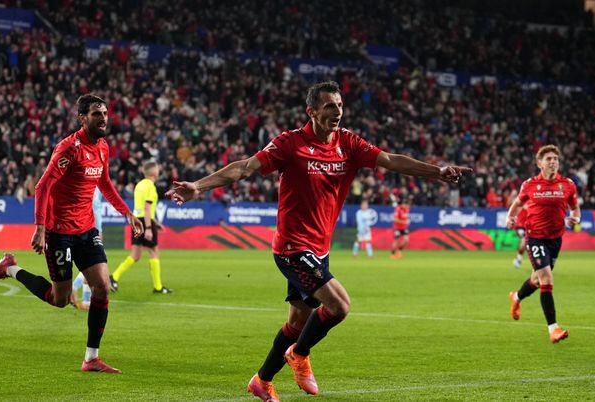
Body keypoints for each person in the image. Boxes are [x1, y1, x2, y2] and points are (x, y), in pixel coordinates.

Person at [166, 81, 471, 401]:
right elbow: (244, 169)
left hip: (319, 250)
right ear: (311, 111)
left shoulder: (349, 143)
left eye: (339, 105)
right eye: (329, 106)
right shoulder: (289, 144)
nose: (337, 111)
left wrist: (437, 172)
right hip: (291, 248)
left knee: (297, 322)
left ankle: (262, 380)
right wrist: (199, 187)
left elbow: (392, 161)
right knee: (339, 305)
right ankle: (299, 354)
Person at [0, 94, 143, 373]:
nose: (103, 118)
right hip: (59, 232)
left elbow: (104, 183)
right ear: (82, 118)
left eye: (105, 113)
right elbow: (43, 186)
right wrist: (40, 228)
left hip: (87, 229)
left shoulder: (103, 147)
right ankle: (9, 268)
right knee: (60, 299)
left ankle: (91, 358)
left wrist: (126, 212)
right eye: (96, 113)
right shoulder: (69, 148)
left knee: (102, 288)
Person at [506, 144, 580, 344]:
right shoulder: (530, 184)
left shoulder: (568, 184)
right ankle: (553, 329)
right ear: (540, 163)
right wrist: (511, 217)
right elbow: (518, 203)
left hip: (555, 239)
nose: (553, 162)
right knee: (547, 279)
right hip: (535, 237)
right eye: (548, 159)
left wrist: (575, 217)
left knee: (537, 281)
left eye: (555, 159)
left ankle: (516, 298)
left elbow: (575, 206)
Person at [110, 161, 172, 294]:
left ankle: (113, 277)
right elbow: (147, 208)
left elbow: (140, 208)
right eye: (157, 168)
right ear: (154, 171)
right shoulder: (151, 186)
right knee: (154, 251)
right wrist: (149, 228)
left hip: (136, 220)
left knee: (136, 255)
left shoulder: (139, 185)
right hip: (145, 222)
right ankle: (158, 287)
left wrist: (155, 223)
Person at [72, 187, 104, 309]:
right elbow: (94, 205)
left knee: (91, 263)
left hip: (86, 224)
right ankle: (74, 287)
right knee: (96, 263)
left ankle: (86, 301)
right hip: (92, 226)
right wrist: (98, 230)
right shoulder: (93, 181)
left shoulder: (88, 180)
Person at [512, 204, 528, 269]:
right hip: (520, 226)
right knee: (524, 240)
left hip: (529, 226)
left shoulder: (533, 200)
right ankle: (518, 259)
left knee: (527, 242)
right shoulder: (521, 200)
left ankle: (519, 258)